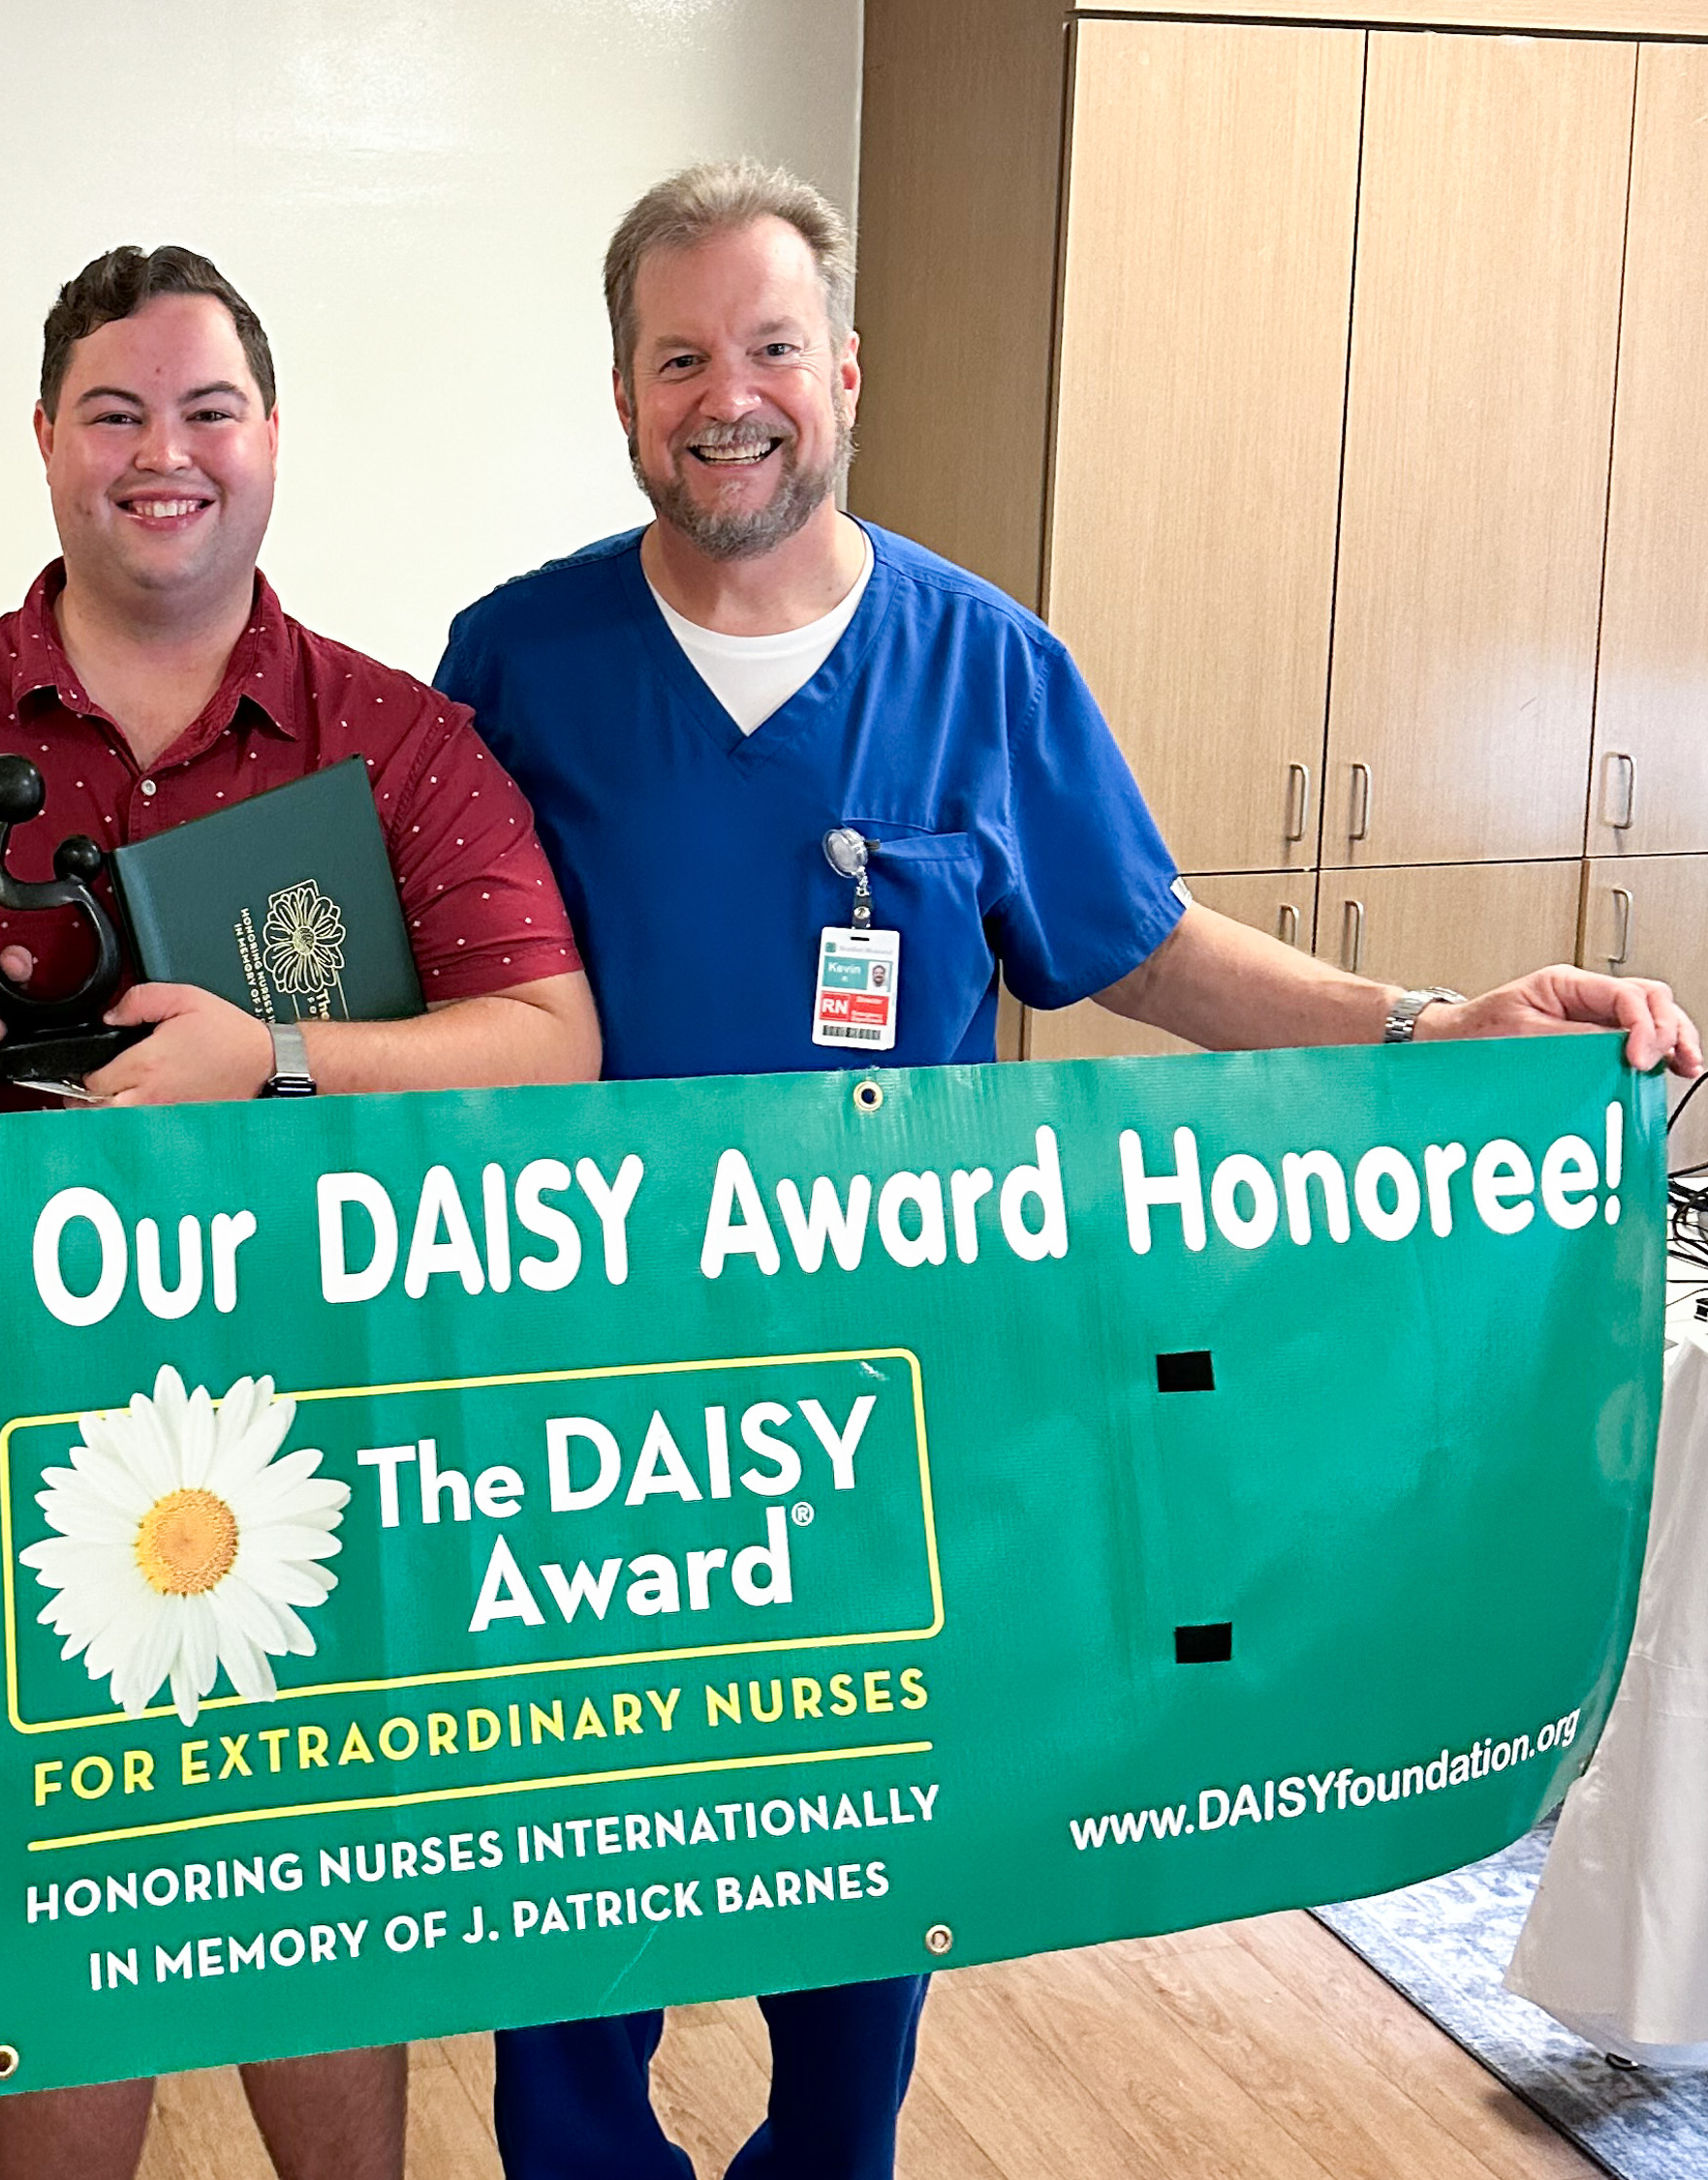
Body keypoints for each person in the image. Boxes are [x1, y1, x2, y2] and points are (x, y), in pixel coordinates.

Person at [434, 160, 1702, 2180]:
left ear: (844, 374)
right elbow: (439, 999)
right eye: (681, 358)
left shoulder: (986, 666)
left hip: (893, 1431)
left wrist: (1431, 1034)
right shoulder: (512, 665)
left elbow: (1143, 949)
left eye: (770, 348)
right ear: (622, 395)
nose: (728, 395)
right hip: (592, 1430)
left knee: (864, 1899)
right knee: (582, 1896)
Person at [0, 245, 598, 2179]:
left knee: (316, 1893)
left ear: (272, 437)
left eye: (208, 410)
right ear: (45, 441)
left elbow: (549, 1040)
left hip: (324, 1417)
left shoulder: (398, 739)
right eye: (115, 413)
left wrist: (279, 1054)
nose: (166, 455)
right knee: (51, 1890)